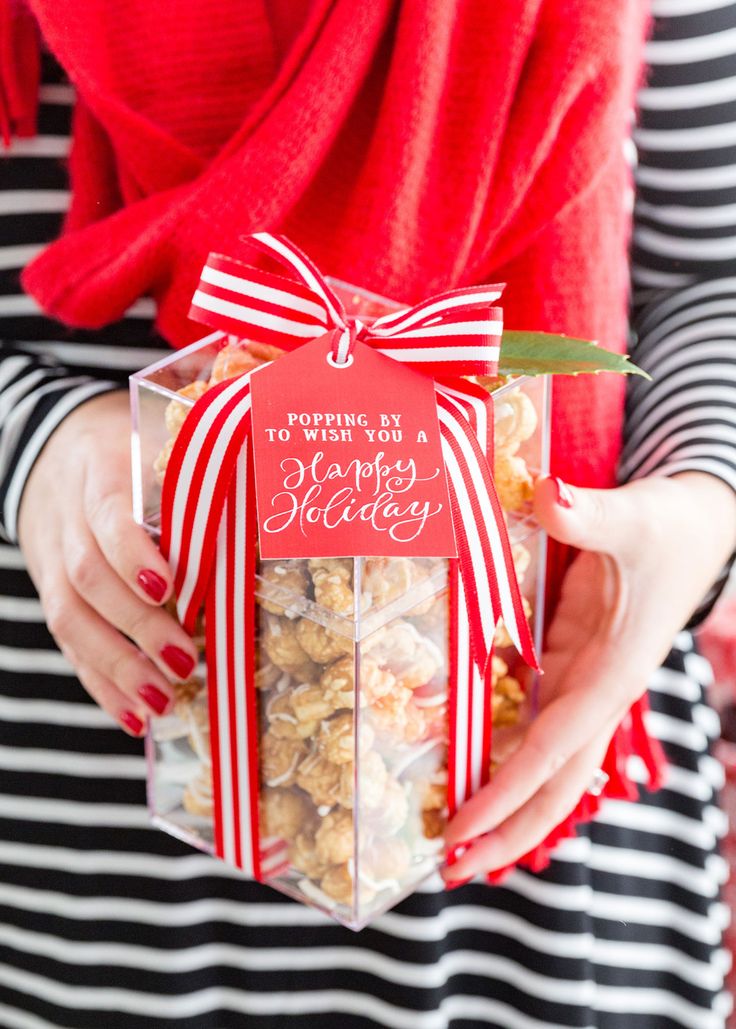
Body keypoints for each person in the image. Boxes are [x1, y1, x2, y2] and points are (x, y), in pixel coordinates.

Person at [0, 0, 734, 1025]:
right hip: (95, 792)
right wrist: (30, 443)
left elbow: (711, 273)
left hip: (535, 747)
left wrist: (699, 508)